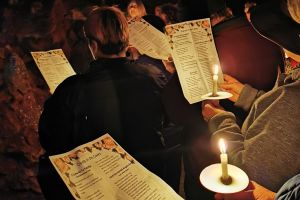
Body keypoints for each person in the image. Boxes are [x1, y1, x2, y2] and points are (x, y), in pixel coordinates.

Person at [37, 6, 178, 199]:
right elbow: (170, 122)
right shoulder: (152, 76)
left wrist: (58, 100)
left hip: (102, 188)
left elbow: (50, 139)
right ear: (127, 40)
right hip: (151, 178)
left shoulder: (72, 89)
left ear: (92, 46)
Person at [202, 0, 300, 195]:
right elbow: (280, 119)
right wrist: (249, 96)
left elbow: (244, 175)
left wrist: (219, 119)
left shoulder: (294, 99)